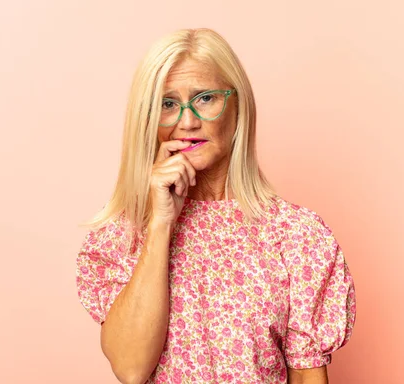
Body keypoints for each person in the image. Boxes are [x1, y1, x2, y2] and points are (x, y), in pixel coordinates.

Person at [75, 28, 356, 384]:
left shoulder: (296, 235)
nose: (187, 121)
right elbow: (130, 369)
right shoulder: (124, 233)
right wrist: (160, 222)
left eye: (205, 98)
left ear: (237, 106)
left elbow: (307, 378)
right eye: (168, 104)